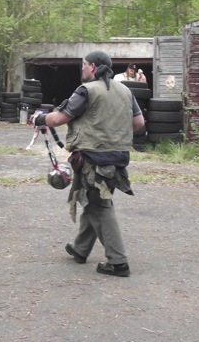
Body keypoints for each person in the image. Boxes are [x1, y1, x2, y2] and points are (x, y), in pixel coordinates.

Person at [30, 50, 145, 277]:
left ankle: (118, 262)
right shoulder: (125, 91)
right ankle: (80, 249)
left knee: (98, 205)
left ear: (92, 67)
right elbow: (139, 122)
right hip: (118, 158)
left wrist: (39, 119)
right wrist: (113, 130)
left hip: (94, 158)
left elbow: (59, 118)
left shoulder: (86, 90)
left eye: (83, 64)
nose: (81, 68)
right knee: (95, 200)